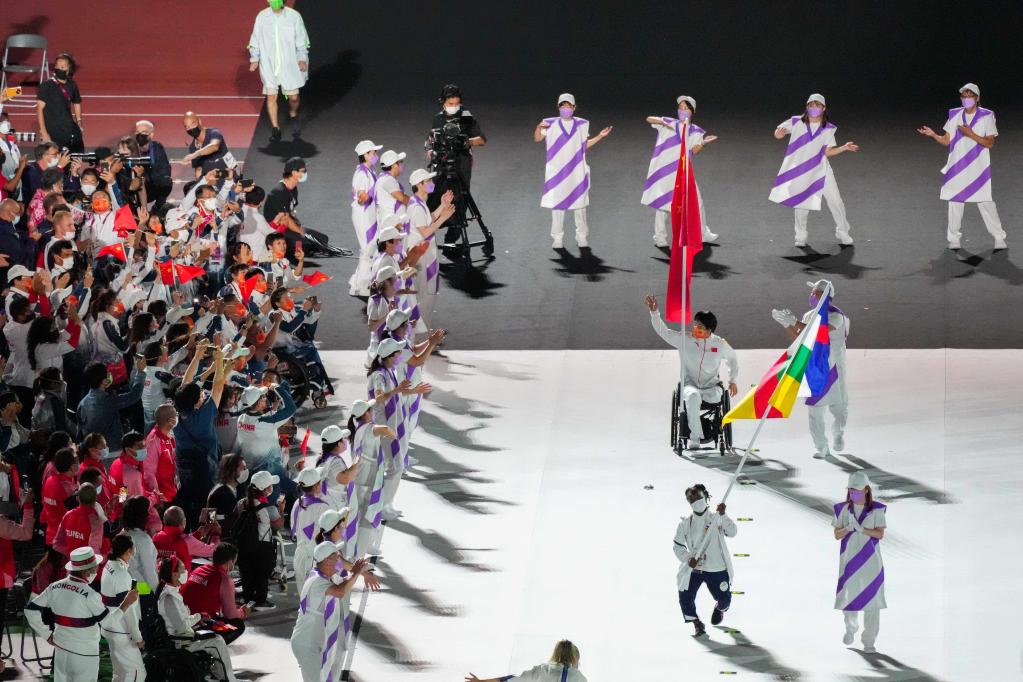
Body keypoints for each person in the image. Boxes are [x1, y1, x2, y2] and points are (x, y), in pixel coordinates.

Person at [26, 546, 139, 682]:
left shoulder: (54, 587)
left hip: (61, 649)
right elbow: (108, 622)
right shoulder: (90, 595)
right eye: (96, 567)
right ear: (87, 571)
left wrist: (47, 635)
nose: (97, 570)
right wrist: (126, 603)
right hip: (84, 654)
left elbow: (30, 610)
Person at [917, 82, 1006, 251]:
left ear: (977, 98)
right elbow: (946, 140)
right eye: (963, 97)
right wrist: (933, 134)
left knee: (986, 203)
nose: (966, 99)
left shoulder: (987, 115)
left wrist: (970, 134)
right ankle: (954, 238)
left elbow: (990, 143)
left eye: (970, 96)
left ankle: (999, 237)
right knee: (955, 203)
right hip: (957, 166)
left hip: (979, 167)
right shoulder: (954, 114)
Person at [645, 296, 738, 449]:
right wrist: (654, 312)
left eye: (700, 326)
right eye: (695, 324)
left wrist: (732, 379)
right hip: (690, 386)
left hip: (712, 388)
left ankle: (711, 431)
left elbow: (732, 358)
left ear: (709, 330)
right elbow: (664, 332)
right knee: (693, 396)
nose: (695, 328)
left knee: (712, 397)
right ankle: (695, 438)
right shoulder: (685, 339)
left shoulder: (719, 344)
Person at [771, 279, 850, 458]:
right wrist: (787, 324)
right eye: (812, 292)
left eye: (816, 293)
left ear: (827, 297)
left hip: (834, 369)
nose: (812, 295)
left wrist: (796, 322)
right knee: (815, 411)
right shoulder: (808, 316)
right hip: (815, 368)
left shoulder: (837, 316)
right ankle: (821, 447)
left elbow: (820, 332)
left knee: (839, 409)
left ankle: (838, 433)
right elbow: (800, 338)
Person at [769, 94, 858, 248]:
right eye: (811, 105)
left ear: (824, 108)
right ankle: (800, 234)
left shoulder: (828, 129)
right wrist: (779, 134)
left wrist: (843, 148)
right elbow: (778, 132)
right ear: (807, 107)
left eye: (817, 105)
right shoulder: (796, 122)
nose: (814, 108)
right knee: (801, 202)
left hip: (822, 169)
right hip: (801, 170)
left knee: (836, 201)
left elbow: (827, 152)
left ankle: (842, 231)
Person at [533, 93, 612, 250]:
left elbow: (584, 146)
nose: (565, 108)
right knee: (557, 206)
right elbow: (537, 139)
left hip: (577, 170)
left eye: (568, 106)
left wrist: (600, 136)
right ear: (558, 107)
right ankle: (557, 238)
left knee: (580, 206)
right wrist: (538, 127)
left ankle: (582, 236)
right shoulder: (549, 123)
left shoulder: (583, 124)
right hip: (557, 171)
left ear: (574, 107)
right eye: (562, 106)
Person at [641, 95, 720, 247]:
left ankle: (703, 233)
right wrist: (665, 122)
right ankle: (660, 237)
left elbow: (694, 151)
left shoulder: (696, 131)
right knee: (663, 204)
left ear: (692, 111)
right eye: (680, 108)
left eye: (686, 108)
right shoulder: (669, 123)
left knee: (697, 201)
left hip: (684, 171)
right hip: (666, 170)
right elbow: (649, 119)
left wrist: (703, 142)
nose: (682, 111)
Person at [290, 541, 369, 682]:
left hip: (314, 642)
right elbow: (339, 591)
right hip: (307, 645)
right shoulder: (317, 581)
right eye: (336, 556)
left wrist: (355, 573)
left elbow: (342, 583)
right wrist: (355, 573)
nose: (339, 559)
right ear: (327, 561)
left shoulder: (322, 577)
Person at [156, 555, 240, 681]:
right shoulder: (170, 598)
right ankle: (228, 679)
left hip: (186, 636)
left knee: (216, 636)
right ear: (174, 574)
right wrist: (198, 616)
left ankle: (219, 675)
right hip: (183, 642)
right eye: (182, 570)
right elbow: (180, 626)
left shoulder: (172, 593)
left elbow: (180, 619)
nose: (185, 573)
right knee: (218, 642)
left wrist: (198, 618)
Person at [672, 483, 737, 637]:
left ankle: (719, 609)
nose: (694, 500)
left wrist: (723, 515)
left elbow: (733, 532)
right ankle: (697, 623)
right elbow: (678, 546)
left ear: (705, 497)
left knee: (725, 599)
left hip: (716, 568)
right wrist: (688, 559)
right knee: (685, 596)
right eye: (690, 499)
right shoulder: (684, 524)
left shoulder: (717, 518)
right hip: (695, 569)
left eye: (697, 496)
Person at [426, 84, 486, 246]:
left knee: (460, 195)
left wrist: (465, 140)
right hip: (443, 161)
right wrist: (430, 149)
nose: (454, 107)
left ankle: (456, 227)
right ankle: (437, 224)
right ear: (443, 102)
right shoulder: (438, 118)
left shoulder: (465, 115)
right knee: (439, 193)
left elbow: (481, 139)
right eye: (450, 104)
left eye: (456, 104)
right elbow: (431, 139)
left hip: (461, 162)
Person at [833, 471, 886, 652]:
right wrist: (847, 528)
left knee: (873, 602)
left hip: (871, 562)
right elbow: (836, 535)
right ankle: (851, 627)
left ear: (866, 490)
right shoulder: (842, 509)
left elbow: (880, 534)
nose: (853, 493)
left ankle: (869, 640)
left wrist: (862, 529)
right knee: (849, 597)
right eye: (851, 490)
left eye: (857, 490)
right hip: (849, 560)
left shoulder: (877, 509)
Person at [248, 0, 310, 142]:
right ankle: (275, 128)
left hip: (290, 64)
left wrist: (301, 58)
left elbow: (301, 39)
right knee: (271, 96)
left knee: (293, 97)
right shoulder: (262, 17)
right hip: (269, 63)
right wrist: (255, 59)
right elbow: (255, 38)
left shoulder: (294, 16)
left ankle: (293, 111)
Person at [406, 168, 455, 333]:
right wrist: (444, 218)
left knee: (426, 294)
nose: (432, 184)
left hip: (423, 254)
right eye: (428, 181)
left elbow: (428, 221)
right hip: (421, 256)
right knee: (425, 295)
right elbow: (425, 232)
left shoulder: (418, 203)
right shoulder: (416, 207)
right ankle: (420, 336)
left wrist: (442, 206)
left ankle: (422, 332)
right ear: (420, 184)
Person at [235, 469, 285, 610]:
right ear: (265, 489)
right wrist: (281, 510)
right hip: (261, 546)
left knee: (247, 574)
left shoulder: (241, 503)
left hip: (243, 545)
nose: (272, 488)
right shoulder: (265, 508)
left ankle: (248, 600)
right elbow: (275, 526)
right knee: (262, 574)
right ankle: (261, 601)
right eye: (270, 486)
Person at [180, 542, 249, 644]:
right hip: (199, 622)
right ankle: (210, 644)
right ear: (230, 562)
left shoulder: (199, 569)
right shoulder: (225, 580)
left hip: (181, 617)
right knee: (238, 625)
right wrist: (243, 612)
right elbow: (230, 614)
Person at [100, 533, 146, 682]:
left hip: (109, 628)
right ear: (128, 551)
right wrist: (137, 637)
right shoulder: (121, 574)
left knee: (120, 674)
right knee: (137, 673)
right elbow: (129, 611)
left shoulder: (108, 566)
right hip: (121, 632)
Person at [349, 398, 391, 555]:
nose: (373, 411)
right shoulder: (369, 428)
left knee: (363, 514)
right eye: (370, 409)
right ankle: (360, 553)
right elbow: (387, 430)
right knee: (367, 515)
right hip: (368, 479)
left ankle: (365, 546)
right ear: (366, 414)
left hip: (362, 477)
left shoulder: (358, 428)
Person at [466, 640, 588, 682]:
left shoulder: (542, 670)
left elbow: (510, 679)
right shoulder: (580, 678)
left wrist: (481, 681)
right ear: (575, 658)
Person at [36, 53, 85, 153]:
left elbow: (76, 102)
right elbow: (39, 109)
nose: (59, 69)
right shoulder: (46, 86)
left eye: (62, 67)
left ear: (69, 69)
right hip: (53, 132)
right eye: (57, 66)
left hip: (69, 129)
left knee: (77, 157)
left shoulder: (72, 84)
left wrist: (79, 121)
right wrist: (44, 133)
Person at [181, 112, 236, 179]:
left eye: (193, 123)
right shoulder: (193, 147)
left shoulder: (214, 133)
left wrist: (195, 154)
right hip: (210, 181)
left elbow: (214, 146)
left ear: (199, 122)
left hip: (228, 175)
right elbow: (198, 171)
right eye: (187, 126)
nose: (190, 128)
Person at [133, 120, 174, 211]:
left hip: (151, 185)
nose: (140, 135)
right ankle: (137, 210)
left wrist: (148, 176)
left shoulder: (157, 147)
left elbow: (165, 170)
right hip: (134, 186)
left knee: (166, 181)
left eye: (143, 132)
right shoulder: (130, 147)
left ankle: (159, 207)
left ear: (151, 135)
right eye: (137, 132)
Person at [207, 453, 248, 533]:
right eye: (243, 468)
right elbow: (210, 520)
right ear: (232, 470)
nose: (246, 471)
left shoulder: (236, 490)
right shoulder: (219, 493)